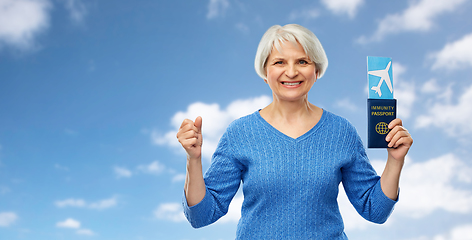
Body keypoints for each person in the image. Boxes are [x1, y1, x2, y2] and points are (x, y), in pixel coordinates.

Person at [176, 24, 413, 239]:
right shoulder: (240, 133)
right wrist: (193, 160)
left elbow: (374, 210)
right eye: (279, 62)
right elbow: (201, 216)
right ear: (265, 72)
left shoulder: (341, 132)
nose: (291, 72)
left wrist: (394, 161)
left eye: (302, 61)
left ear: (316, 71)